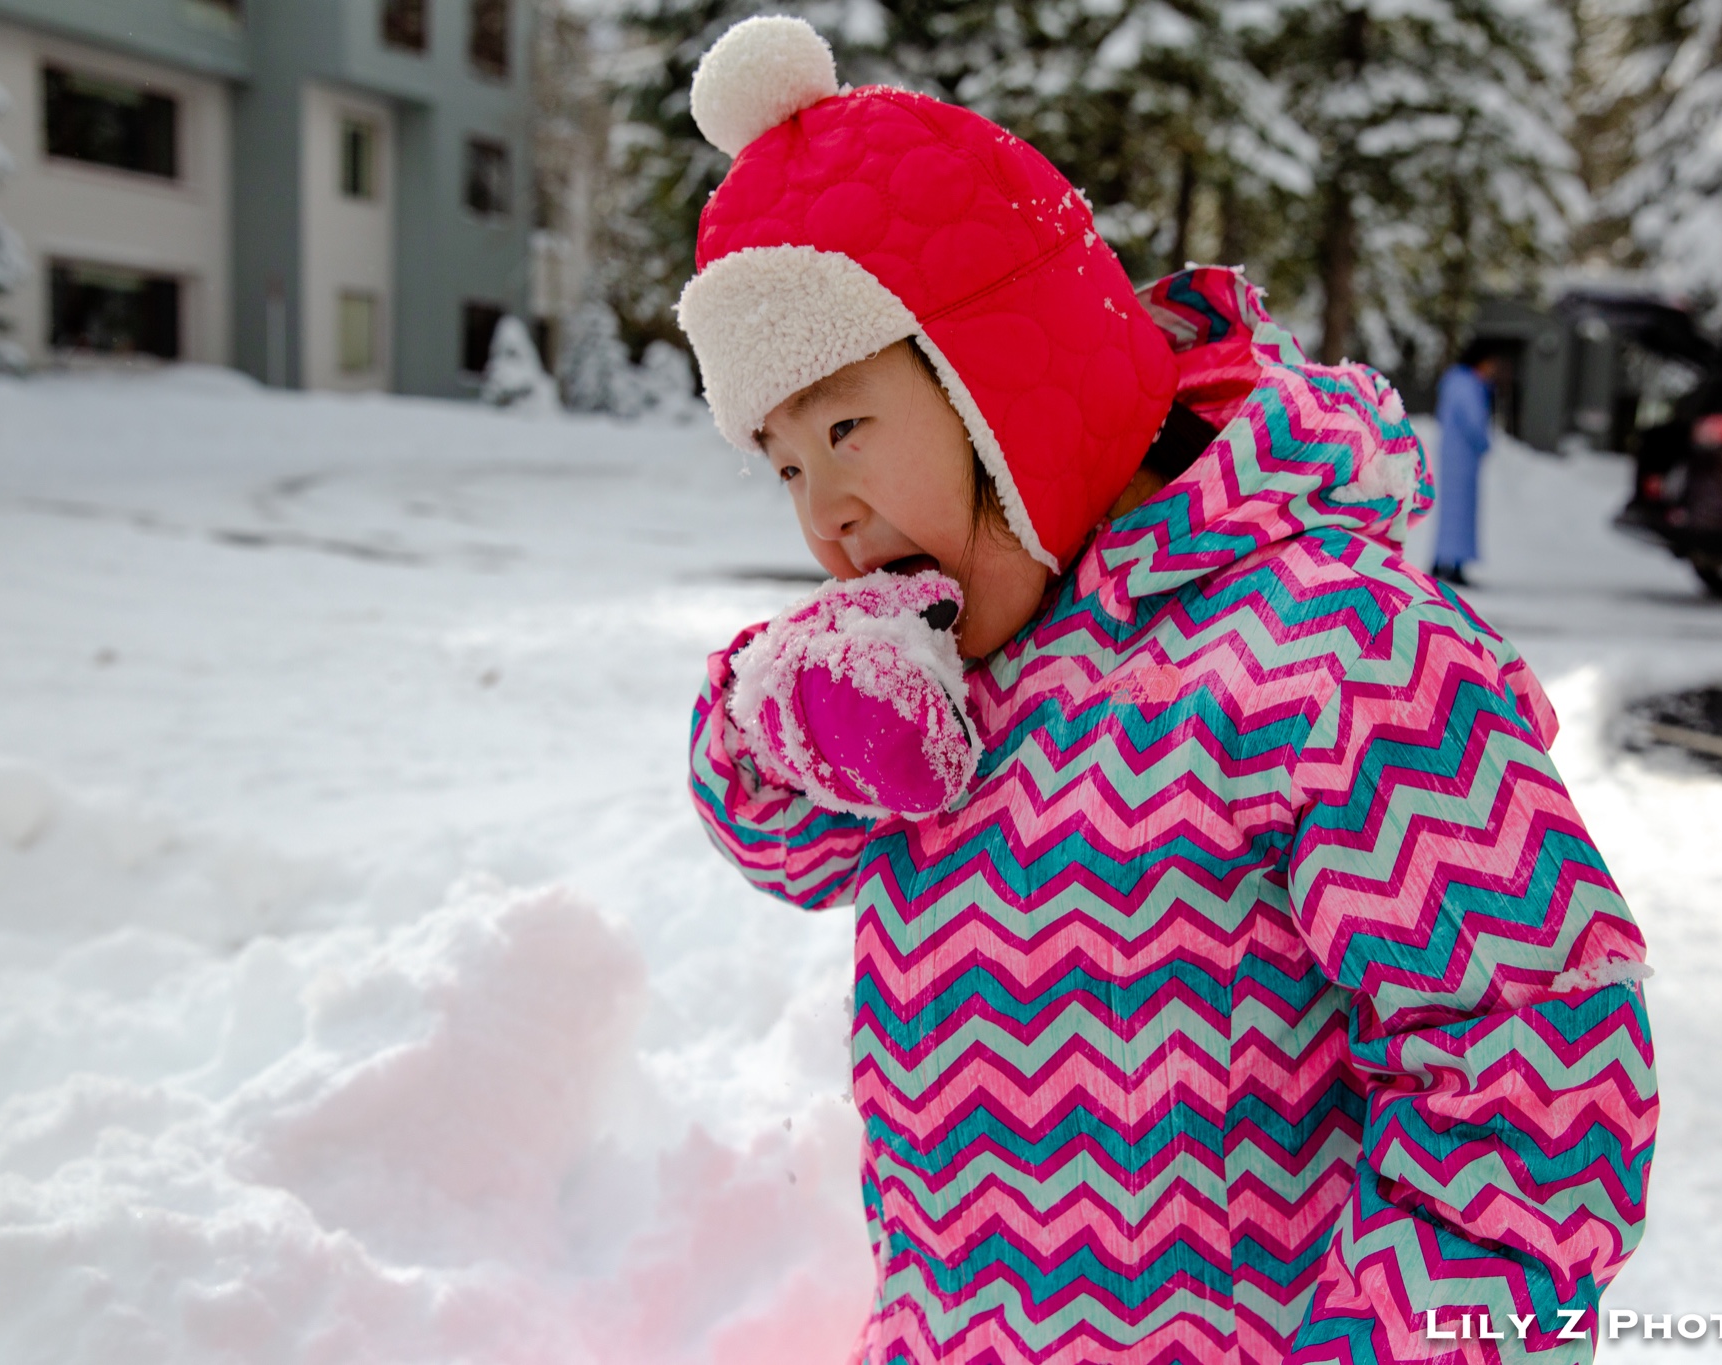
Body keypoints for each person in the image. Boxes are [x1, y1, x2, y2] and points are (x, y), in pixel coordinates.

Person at [679, 18, 1655, 1364]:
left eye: (846, 427)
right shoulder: (957, 669)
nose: (827, 514)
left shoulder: (1344, 658)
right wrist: (773, 720)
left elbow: (1534, 1084)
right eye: (783, 464)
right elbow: (789, 844)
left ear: (1011, 384)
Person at [1430, 341, 1507, 586]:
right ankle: (1453, 563)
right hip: (1463, 456)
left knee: (1450, 512)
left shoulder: (1454, 381)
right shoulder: (1468, 385)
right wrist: (1484, 443)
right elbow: (1474, 420)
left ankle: (1443, 559)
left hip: (1452, 454)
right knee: (1460, 512)